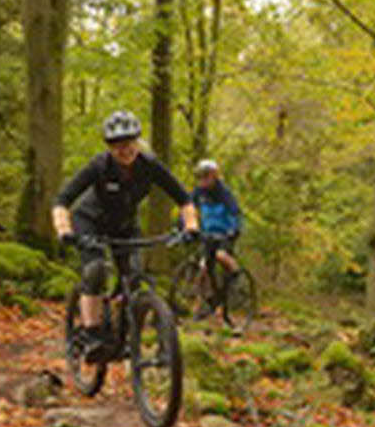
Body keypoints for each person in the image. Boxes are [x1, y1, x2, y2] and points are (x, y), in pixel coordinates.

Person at [51, 110, 198, 350]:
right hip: (90, 223)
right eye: (117, 145)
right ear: (109, 147)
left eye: (129, 143)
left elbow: (184, 198)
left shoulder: (149, 165)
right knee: (96, 270)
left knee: (133, 278)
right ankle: (91, 332)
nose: (125, 150)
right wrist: (64, 230)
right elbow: (62, 200)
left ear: (137, 142)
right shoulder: (99, 166)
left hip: (125, 226)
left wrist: (191, 227)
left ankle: (126, 334)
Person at [189, 158, 243, 319]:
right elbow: (189, 208)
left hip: (225, 233)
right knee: (203, 267)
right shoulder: (198, 192)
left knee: (221, 255)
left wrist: (234, 229)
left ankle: (236, 276)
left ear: (214, 176)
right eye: (200, 176)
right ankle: (208, 301)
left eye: (206, 176)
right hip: (208, 234)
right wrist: (183, 226)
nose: (203, 180)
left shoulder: (224, 193)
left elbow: (235, 212)